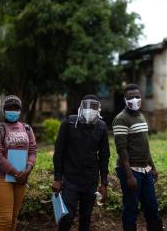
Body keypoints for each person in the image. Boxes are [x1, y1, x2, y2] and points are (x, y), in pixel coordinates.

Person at [53, 94, 110, 231]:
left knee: (86, 217)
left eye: (94, 106)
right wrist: (57, 178)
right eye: (87, 106)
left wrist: (104, 183)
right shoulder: (69, 123)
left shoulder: (101, 127)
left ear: (99, 109)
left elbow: (104, 156)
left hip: (90, 181)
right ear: (81, 106)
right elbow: (58, 152)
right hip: (70, 180)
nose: (90, 109)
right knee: (66, 217)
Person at [113, 84, 163, 231]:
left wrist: (152, 167)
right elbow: (121, 150)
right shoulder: (121, 119)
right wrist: (129, 176)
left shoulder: (141, 116)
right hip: (130, 170)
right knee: (131, 209)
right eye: (130, 97)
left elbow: (145, 147)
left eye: (137, 96)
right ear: (124, 99)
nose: (134, 100)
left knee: (152, 207)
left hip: (145, 170)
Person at [0, 95, 37, 231]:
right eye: (9, 108)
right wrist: (15, 172)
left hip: (22, 178)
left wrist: (28, 169)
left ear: (20, 110)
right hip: (3, 178)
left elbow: (32, 150)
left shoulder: (27, 128)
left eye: (16, 108)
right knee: (5, 219)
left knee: (13, 219)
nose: (12, 110)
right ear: (4, 110)